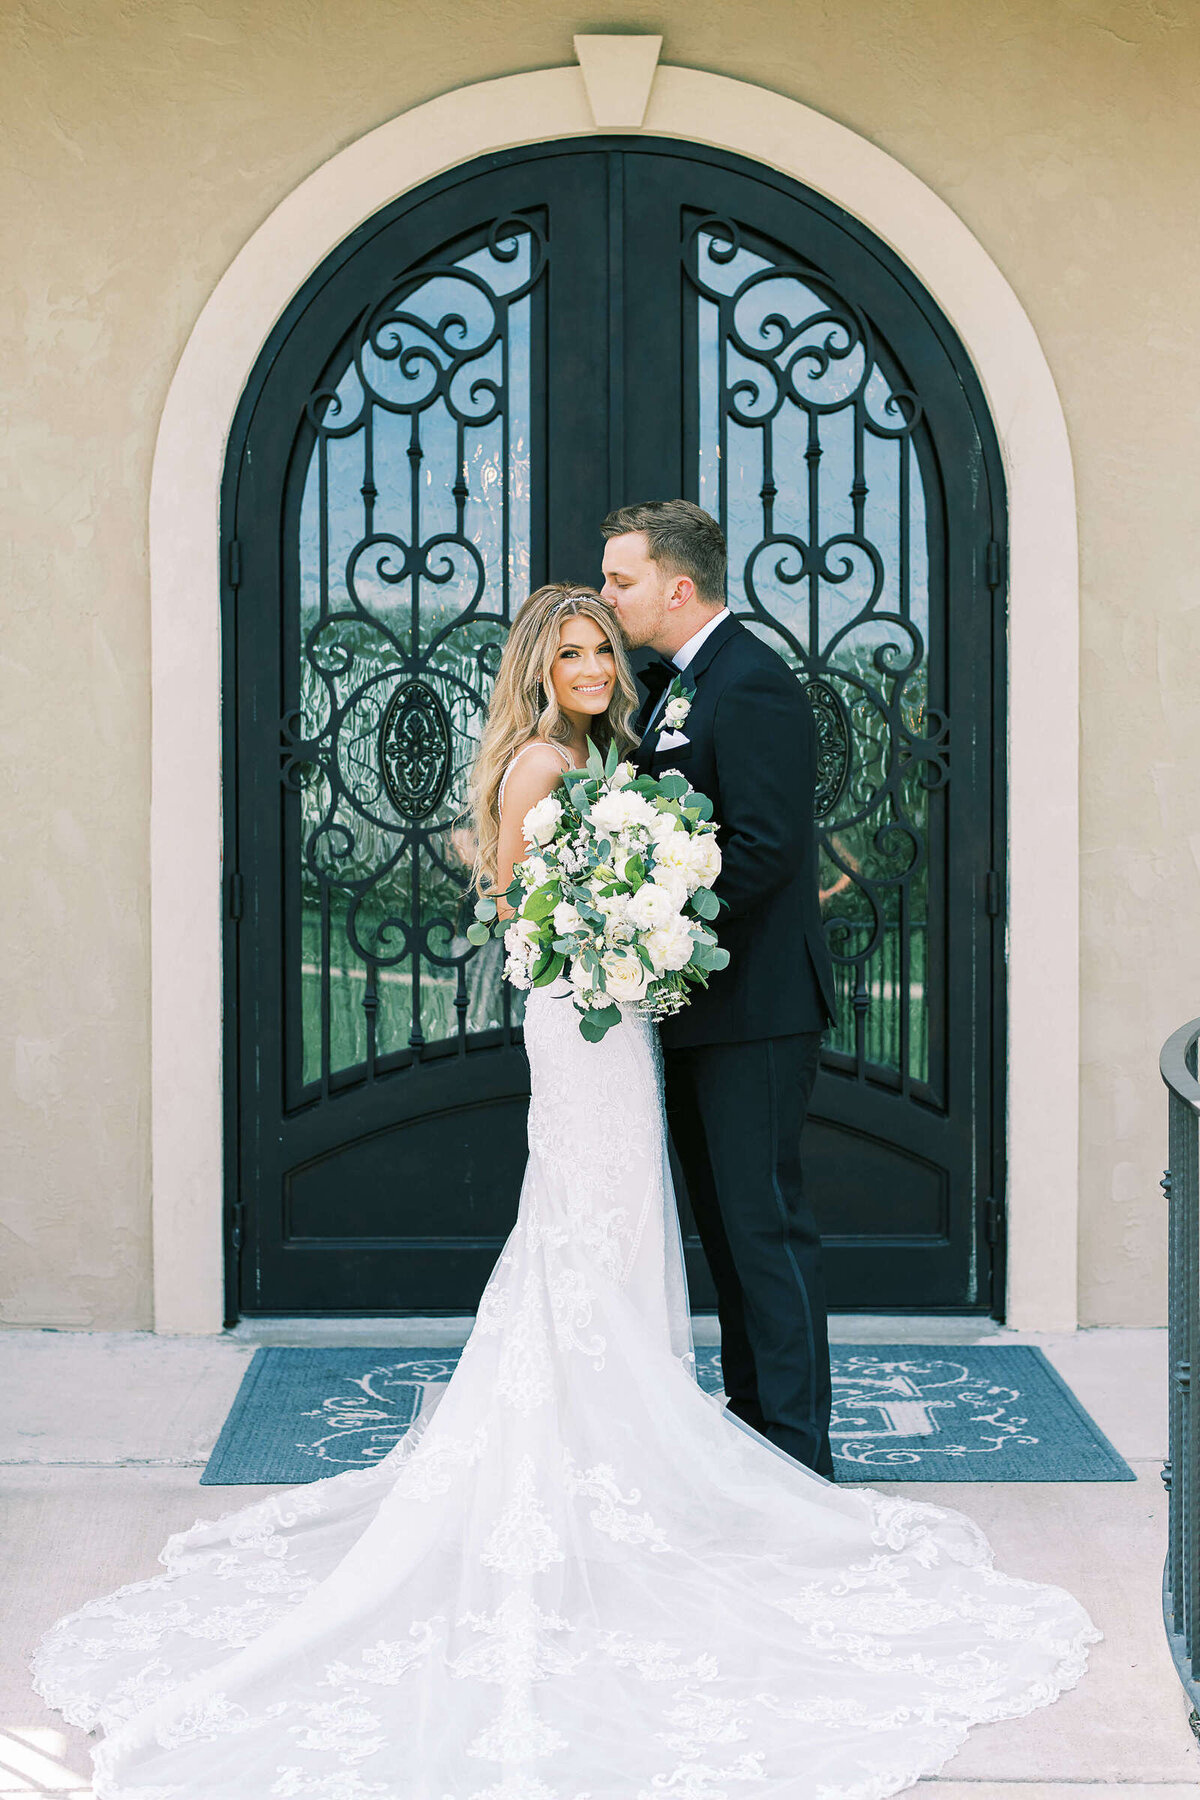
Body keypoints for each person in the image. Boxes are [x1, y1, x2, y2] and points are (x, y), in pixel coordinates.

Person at [31, 584, 1098, 1800]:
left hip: (626, 1025)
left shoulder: (615, 751)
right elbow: (506, 902)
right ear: (538, 671)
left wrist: (642, 926)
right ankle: (593, 1465)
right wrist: (597, 932)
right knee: (585, 1230)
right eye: (572, 651)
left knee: (624, 1231)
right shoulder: (542, 759)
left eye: (602, 645)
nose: (593, 664)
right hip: (578, 1030)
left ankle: (631, 1445)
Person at [602, 498, 837, 1478]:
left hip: (757, 1012)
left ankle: (796, 1452)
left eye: (622, 580)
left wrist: (657, 930)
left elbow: (768, 850)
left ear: (677, 585)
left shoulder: (750, 687)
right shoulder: (679, 687)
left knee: (763, 1228)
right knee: (727, 1233)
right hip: (702, 1010)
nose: (610, 598)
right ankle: (752, 1431)